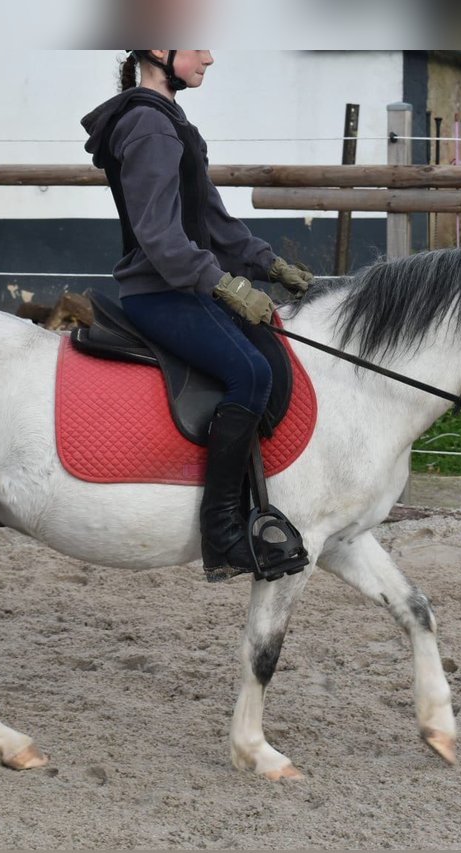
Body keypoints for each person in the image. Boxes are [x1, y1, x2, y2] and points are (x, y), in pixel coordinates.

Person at [81, 50, 313, 581]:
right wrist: (225, 285)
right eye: (197, 44)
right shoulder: (149, 126)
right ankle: (224, 534)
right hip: (160, 292)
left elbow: (211, 219)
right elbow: (159, 236)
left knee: (266, 353)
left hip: (183, 285)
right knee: (248, 373)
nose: (210, 55)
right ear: (158, 49)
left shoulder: (170, 123)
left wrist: (269, 264)